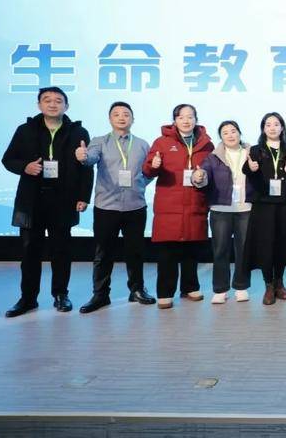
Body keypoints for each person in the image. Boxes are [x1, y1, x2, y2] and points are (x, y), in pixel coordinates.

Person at [2, 86, 93, 317]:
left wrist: (83, 197)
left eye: (58, 101)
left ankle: (61, 294)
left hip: (63, 199)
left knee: (61, 251)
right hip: (32, 199)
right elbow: (8, 159)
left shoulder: (78, 132)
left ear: (66, 106)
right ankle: (28, 298)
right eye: (47, 100)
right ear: (39, 105)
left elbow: (86, 168)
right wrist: (25, 166)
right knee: (29, 251)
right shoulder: (25, 130)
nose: (53, 104)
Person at [75, 101, 156, 313]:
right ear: (110, 119)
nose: (121, 117)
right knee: (103, 253)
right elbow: (90, 159)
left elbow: (149, 171)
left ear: (132, 119)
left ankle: (136, 290)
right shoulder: (99, 141)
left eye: (126, 114)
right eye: (116, 114)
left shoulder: (142, 144)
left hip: (135, 206)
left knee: (135, 252)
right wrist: (83, 156)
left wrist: (139, 184)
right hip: (107, 207)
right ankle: (100, 295)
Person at [142, 104, 214, 310]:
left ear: (196, 119)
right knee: (168, 253)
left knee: (192, 249)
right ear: (174, 120)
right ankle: (165, 292)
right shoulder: (162, 142)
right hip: (169, 205)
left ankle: (190, 287)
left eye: (190, 117)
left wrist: (203, 177)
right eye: (181, 117)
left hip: (195, 202)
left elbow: (212, 173)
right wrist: (153, 165)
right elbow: (147, 170)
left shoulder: (206, 144)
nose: (186, 121)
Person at [242, 112, 286, 305]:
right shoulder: (256, 149)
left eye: (276, 124)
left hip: (285, 204)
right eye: (268, 124)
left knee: (282, 244)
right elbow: (247, 169)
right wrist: (250, 168)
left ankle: (279, 283)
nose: (272, 128)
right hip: (263, 204)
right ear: (263, 128)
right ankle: (268, 285)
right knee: (265, 244)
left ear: (282, 127)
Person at [191, 120, 254, 305]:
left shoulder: (251, 153)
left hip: (245, 208)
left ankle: (241, 287)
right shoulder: (213, 157)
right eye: (225, 133)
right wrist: (199, 177)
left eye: (233, 131)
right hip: (221, 209)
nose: (230, 135)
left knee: (244, 250)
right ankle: (220, 289)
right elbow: (203, 175)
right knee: (220, 250)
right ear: (221, 137)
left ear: (239, 133)